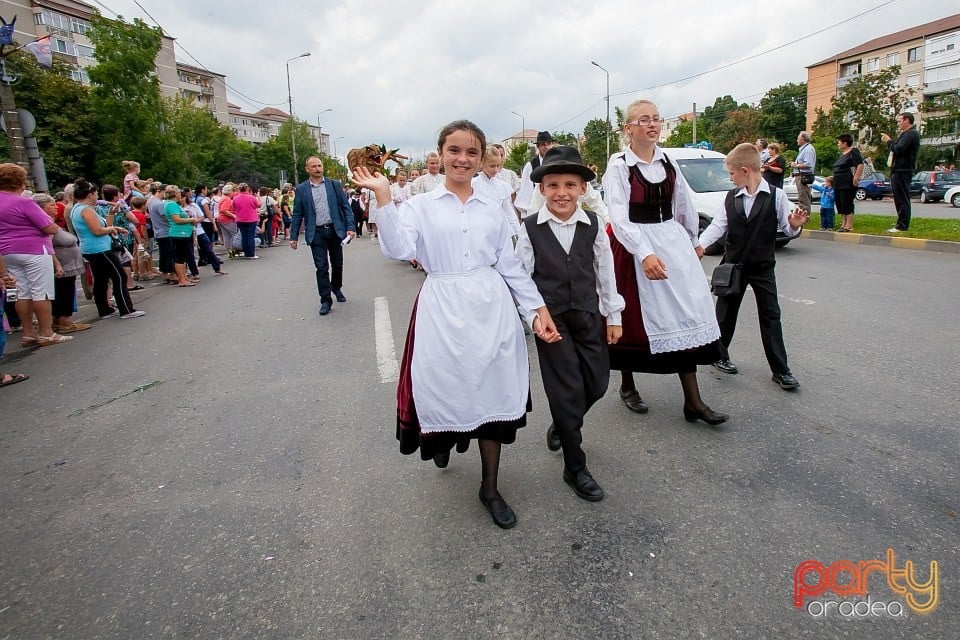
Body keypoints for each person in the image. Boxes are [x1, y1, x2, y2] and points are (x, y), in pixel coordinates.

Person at [351, 120, 561, 530]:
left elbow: (510, 264)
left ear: (481, 159)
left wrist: (536, 310)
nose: (462, 159)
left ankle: (490, 487)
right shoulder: (420, 205)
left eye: (471, 152)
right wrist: (383, 199)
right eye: (454, 151)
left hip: (491, 307)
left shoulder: (493, 208)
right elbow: (397, 248)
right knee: (447, 388)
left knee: (494, 389)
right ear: (442, 153)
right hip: (443, 307)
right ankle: (444, 437)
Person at [602, 100, 727, 425]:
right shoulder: (619, 165)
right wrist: (643, 252)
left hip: (669, 240)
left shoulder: (668, 159)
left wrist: (693, 241)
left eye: (656, 119)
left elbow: (683, 202)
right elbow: (618, 214)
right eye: (644, 120)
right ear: (628, 128)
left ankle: (693, 401)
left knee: (684, 313)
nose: (652, 124)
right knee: (630, 317)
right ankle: (627, 386)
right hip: (633, 244)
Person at [516, 145, 624, 502]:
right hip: (552, 321)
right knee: (564, 389)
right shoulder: (530, 228)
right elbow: (521, 277)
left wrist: (614, 315)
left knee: (596, 382)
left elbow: (604, 271)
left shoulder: (593, 223)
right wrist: (533, 316)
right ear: (542, 189)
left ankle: (564, 422)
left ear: (581, 189)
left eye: (569, 185)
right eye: (553, 185)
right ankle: (575, 465)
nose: (561, 192)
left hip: (589, 315)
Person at [700, 143, 808, 390]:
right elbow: (718, 226)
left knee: (771, 315)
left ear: (745, 170)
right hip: (734, 264)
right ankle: (719, 355)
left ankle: (781, 370)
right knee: (725, 313)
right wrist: (700, 246)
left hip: (762, 267)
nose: (730, 178)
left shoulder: (776, 196)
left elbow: (788, 226)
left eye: (731, 173)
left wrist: (795, 223)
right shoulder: (731, 197)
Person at [0, 163, 68, 347]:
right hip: (34, 250)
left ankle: (28, 333)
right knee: (41, 291)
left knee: (22, 292)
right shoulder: (24, 202)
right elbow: (49, 226)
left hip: (6, 251)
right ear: (20, 181)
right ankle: (46, 333)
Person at [289, 156, 356, 316]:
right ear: (307, 169)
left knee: (337, 264)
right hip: (316, 232)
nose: (317, 169)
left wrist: (350, 227)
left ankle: (336, 287)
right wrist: (293, 236)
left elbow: (345, 207)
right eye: (314, 166)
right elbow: (298, 213)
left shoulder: (334, 185)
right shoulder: (302, 189)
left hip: (335, 230)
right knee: (321, 267)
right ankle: (325, 300)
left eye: (319, 165)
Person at [70, 179, 144, 319]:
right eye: (96, 193)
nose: (97, 196)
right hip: (100, 248)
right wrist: (113, 228)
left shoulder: (78, 208)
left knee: (101, 279)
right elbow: (97, 231)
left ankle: (104, 309)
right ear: (90, 194)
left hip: (92, 248)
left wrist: (111, 215)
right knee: (119, 276)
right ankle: (126, 309)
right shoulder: (85, 210)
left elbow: (102, 226)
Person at [32, 193, 90, 334]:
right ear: (41, 208)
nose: (55, 207)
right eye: (51, 205)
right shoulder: (45, 224)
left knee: (65, 290)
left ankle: (61, 320)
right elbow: (48, 244)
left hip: (67, 263)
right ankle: (63, 321)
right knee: (63, 292)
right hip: (62, 263)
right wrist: (57, 264)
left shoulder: (49, 221)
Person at [881, 112, 920, 233]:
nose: (898, 123)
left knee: (902, 198)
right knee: (898, 198)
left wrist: (889, 141)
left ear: (907, 120)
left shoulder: (911, 134)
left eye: (900, 121)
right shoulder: (905, 134)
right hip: (898, 169)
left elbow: (898, 149)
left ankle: (902, 225)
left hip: (903, 170)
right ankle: (901, 221)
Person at [515, 131, 556, 215]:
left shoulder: (558, 163)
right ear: (538, 146)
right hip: (536, 213)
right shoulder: (530, 166)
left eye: (549, 144)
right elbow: (526, 193)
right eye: (543, 144)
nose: (546, 147)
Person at [832, 134, 864, 232]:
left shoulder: (853, 151)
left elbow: (860, 164)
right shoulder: (841, 154)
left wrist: (856, 178)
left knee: (847, 202)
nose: (838, 144)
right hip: (838, 182)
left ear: (845, 143)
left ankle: (849, 225)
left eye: (839, 142)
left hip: (847, 181)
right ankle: (843, 223)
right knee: (840, 203)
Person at [790, 131, 817, 212]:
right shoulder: (804, 149)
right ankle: (803, 216)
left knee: (804, 198)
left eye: (798, 138)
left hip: (804, 176)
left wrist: (796, 165)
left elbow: (809, 164)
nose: (797, 140)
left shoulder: (808, 149)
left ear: (803, 139)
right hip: (801, 175)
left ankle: (805, 218)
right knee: (802, 197)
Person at [232, 183, 260, 259]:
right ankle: (251, 254)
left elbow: (234, 207)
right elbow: (258, 205)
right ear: (247, 188)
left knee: (244, 236)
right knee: (250, 236)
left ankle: (246, 253)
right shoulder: (252, 198)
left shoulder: (235, 198)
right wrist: (258, 197)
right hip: (251, 219)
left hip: (240, 219)